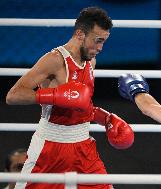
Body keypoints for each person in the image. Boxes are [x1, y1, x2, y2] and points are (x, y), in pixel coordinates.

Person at [6, 7, 134, 189]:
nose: (100, 48)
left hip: (83, 145)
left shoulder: (91, 62)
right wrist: (55, 96)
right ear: (80, 34)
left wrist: (104, 118)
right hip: (51, 147)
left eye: (104, 42)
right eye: (97, 41)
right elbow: (13, 95)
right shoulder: (55, 60)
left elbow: (81, 103)